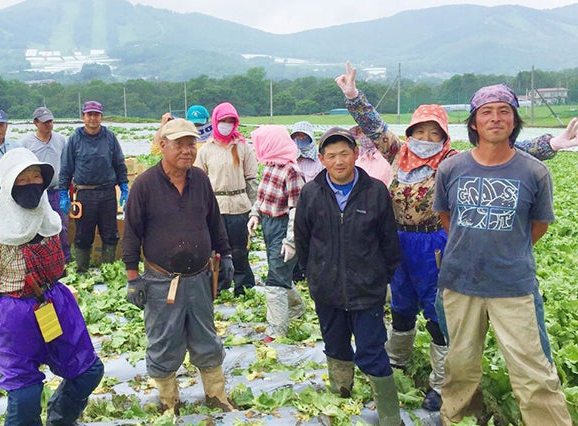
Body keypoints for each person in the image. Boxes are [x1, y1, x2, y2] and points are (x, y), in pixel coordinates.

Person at [335, 62, 578, 411]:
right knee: (400, 306)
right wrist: (353, 96)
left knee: (438, 313)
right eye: (420, 132)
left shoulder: (453, 160)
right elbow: (374, 127)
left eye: (435, 134)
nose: (425, 140)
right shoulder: (398, 153)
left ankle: (438, 381)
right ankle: (397, 362)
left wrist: (553, 142)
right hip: (396, 242)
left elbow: (504, 152)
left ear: (446, 137)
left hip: (435, 244)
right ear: (411, 133)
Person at [432, 84, 572, 425]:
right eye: (486, 112)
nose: (496, 118)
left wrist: (506, 249)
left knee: (533, 371)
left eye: (504, 111)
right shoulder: (452, 169)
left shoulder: (533, 171)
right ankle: (460, 418)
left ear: (514, 121)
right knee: (460, 366)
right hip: (459, 283)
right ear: (474, 123)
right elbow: (447, 219)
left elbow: (538, 226)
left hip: (513, 286)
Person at [0, 148, 103, 426]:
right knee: (26, 394)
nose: (32, 184)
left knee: (88, 370)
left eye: (36, 177)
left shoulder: (52, 222)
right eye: (23, 179)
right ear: (8, 186)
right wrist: (11, 315)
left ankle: (61, 417)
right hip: (16, 314)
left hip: (55, 303)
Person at [122, 118, 235, 413]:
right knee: (163, 339)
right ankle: (168, 400)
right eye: (179, 144)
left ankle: (216, 395)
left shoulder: (200, 180)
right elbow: (131, 233)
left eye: (191, 144)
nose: (187, 150)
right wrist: (133, 278)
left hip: (199, 277)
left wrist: (227, 255)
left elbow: (214, 222)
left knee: (206, 337)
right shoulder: (145, 185)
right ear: (163, 146)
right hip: (161, 281)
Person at [295, 127, 403, 426]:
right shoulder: (311, 193)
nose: (339, 160)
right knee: (336, 347)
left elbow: (389, 242)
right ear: (321, 159)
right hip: (327, 290)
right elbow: (302, 240)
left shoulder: (375, 191)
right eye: (331, 155)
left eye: (345, 153)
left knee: (372, 350)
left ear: (356, 154)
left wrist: (381, 278)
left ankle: (391, 417)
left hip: (366, 290)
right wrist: (313, 276)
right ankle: (341, 397)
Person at [247, 125, 305, 343]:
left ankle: (276, 330)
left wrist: (291, 241)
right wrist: (255, 215)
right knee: (278, 271)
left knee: (274, 280)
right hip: (269, 226)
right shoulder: (270, 166)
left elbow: (297, 211)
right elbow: (261, 197)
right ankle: (297, 307)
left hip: (284, 227)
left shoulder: (292, 171)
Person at [195, 102, 258, 296]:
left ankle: (243, 287)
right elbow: (199, 180)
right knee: (217, 250)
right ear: (215, 121)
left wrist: (254, 209)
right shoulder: (206, 149)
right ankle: (220, 286)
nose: (227, 124)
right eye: (223, 121)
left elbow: (251, 180)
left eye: (231, 121)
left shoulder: (242, 146)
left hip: (239, 205)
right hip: (216, 207)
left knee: (240, 249)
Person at [58, 101, 129, 272]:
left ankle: (108, 270)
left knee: (110, 234)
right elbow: (66, 168)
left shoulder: (110, 137)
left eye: (96, 114)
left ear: (101, 117)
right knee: (83, 236)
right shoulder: (75, 139)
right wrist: (62, 192)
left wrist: (125, 186)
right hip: (84, 194)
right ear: (83, 117)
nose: (92, 118)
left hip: (107, 193)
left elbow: (119, 163)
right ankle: (82, 270)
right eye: (89, 114)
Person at [21, 107, 70, 263]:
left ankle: (64, 259)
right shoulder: (26, 142)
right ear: (36, 123)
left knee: (61, 225)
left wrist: (68, 185)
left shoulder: (61, 140)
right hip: (36, 192)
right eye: (44, 122)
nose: (49, 125)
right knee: (36, 226)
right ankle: (39, 259)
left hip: (57, 190)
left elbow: (67, 163)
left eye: (50, 121)